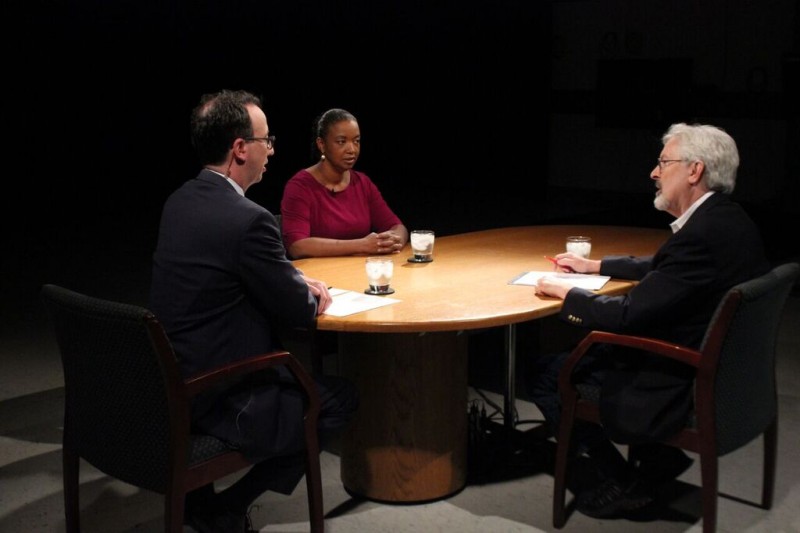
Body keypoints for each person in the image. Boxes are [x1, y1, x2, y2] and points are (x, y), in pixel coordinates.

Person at [528, 123, 770, 519]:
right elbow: (666, 268)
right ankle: (659, 460)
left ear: (694, 170)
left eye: (663, 162)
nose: (654, 173)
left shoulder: (701, 235)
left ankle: (615, 481)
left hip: (674, 376)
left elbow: (627, 316)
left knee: (547, 373)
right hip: (723, 368)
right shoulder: (728, 219)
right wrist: (595, 266)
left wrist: (565, 293)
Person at [149, 89, 359, 533]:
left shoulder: (181, 201)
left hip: (172, 379)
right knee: (338, 400)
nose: (272, 150)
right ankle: (227, 509)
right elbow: (299, 311)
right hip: (223, 392)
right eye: (267, 140)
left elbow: (221, 274)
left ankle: (199, 504)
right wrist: (308, 290)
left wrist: (288, 276)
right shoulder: (249, 219)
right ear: (240, 149)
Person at [280, 108, 408, 259]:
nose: (352, 149)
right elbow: (297, 246)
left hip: (358, 272)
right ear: (321, 144)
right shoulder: (300, 186)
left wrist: (392, 241)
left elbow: (398, 227)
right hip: (319, 277)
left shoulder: (363, 183)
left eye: (356, 141)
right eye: (342, 142)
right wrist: (363, 245)